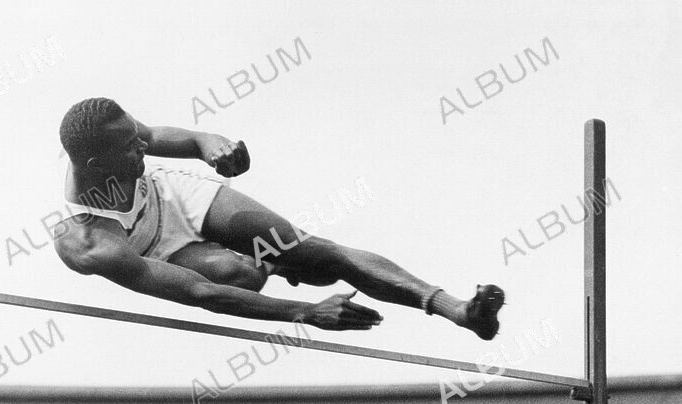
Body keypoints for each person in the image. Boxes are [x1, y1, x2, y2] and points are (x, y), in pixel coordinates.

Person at [54, 97, 503, 336]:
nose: (144, 147)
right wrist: (304, 313)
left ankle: (458, 311)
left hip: (169, 196)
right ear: (96, 167)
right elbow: (200, 292)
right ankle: (270, 265)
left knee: (318, 253)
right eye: (133, 148)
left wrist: (214, 146)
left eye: (138, 136)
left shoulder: (117, 138)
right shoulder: (89, 243)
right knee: (235, 276)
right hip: (151, 249)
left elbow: (192, 141)